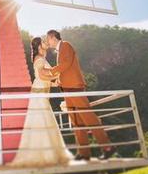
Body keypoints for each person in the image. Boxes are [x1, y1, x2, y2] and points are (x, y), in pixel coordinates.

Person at [46, 29, 116, 161]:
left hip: (75, 88)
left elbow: (66, 64)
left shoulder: (66, 45)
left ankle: (108, 147)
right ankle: (84, 153)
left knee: (89, 117)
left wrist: (50, 71)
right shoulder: (59, 51)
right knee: (76, 121)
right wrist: (57, 81)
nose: (47, 42)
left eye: (47, 39)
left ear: (53, 37)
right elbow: (65, 70)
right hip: (67, 89)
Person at [9, 37, 73, 167]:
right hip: (39, 93)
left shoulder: (41, 58)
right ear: (39, 46)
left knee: (43, 120)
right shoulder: (39, 59)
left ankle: (46, 152)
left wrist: (55, 83)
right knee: (41, 120)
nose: (46, 43)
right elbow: (43, 76)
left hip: (42, 91)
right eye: (43, 42)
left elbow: (43, 78)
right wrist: (58, 74)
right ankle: (43, 154)